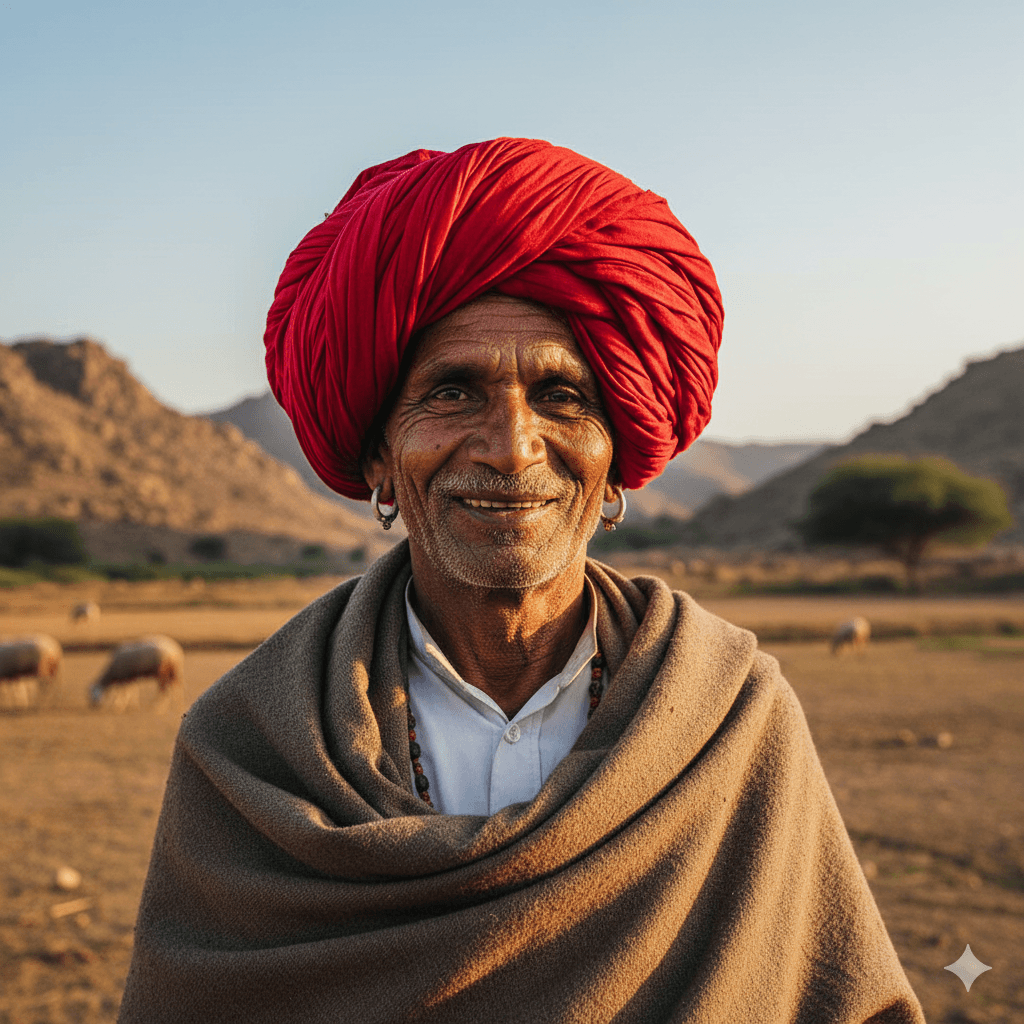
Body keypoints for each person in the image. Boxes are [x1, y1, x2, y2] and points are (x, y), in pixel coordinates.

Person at [118, 139, 924, 1023]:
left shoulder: (730, 715)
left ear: (616, 461)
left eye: (562, 397)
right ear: (380, 457)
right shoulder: (252, 746)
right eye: (452, 393)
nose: (510, 447)